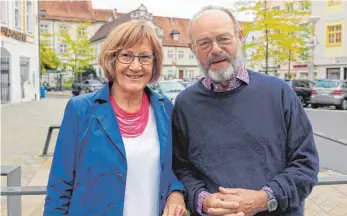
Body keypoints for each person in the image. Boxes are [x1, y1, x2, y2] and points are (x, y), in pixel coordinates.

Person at [172, 6, 319, 216]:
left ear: (240, 37)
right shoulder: (185, 104)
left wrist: (264, 199)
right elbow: (181, 169)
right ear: (192, 48)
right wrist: (204, 201)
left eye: (224, 38)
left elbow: (306, 165)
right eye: (204, 43)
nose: (215, 49)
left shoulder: (279, 93)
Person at [44, 20, 186, 216]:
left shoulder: (165, 109)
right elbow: (60, 186)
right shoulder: (81, 110)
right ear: (112, 59)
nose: (136, 66)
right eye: (126, 55)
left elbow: (172, 169)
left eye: (145, 57)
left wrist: (176, 191)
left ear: (154, 63)